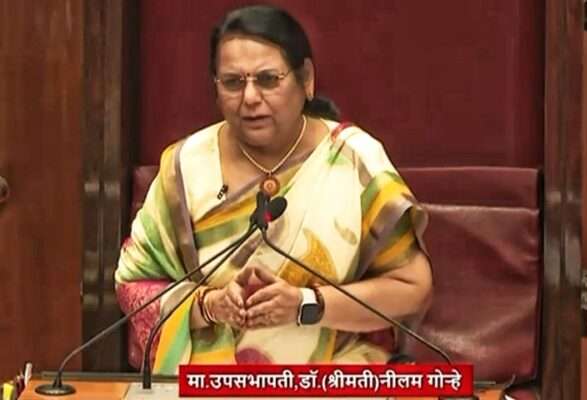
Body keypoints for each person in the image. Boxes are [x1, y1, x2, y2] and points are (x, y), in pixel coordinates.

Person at [115, 4, 432, 374]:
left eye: (268, 80)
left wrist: (306, 304)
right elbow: (134, 286)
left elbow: (413, 288)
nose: (250, 98)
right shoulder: (184, 168)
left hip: (333, 380)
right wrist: (207, 305)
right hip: (210, 384)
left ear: (306, 79)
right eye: (233, 82)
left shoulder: (354, 161)